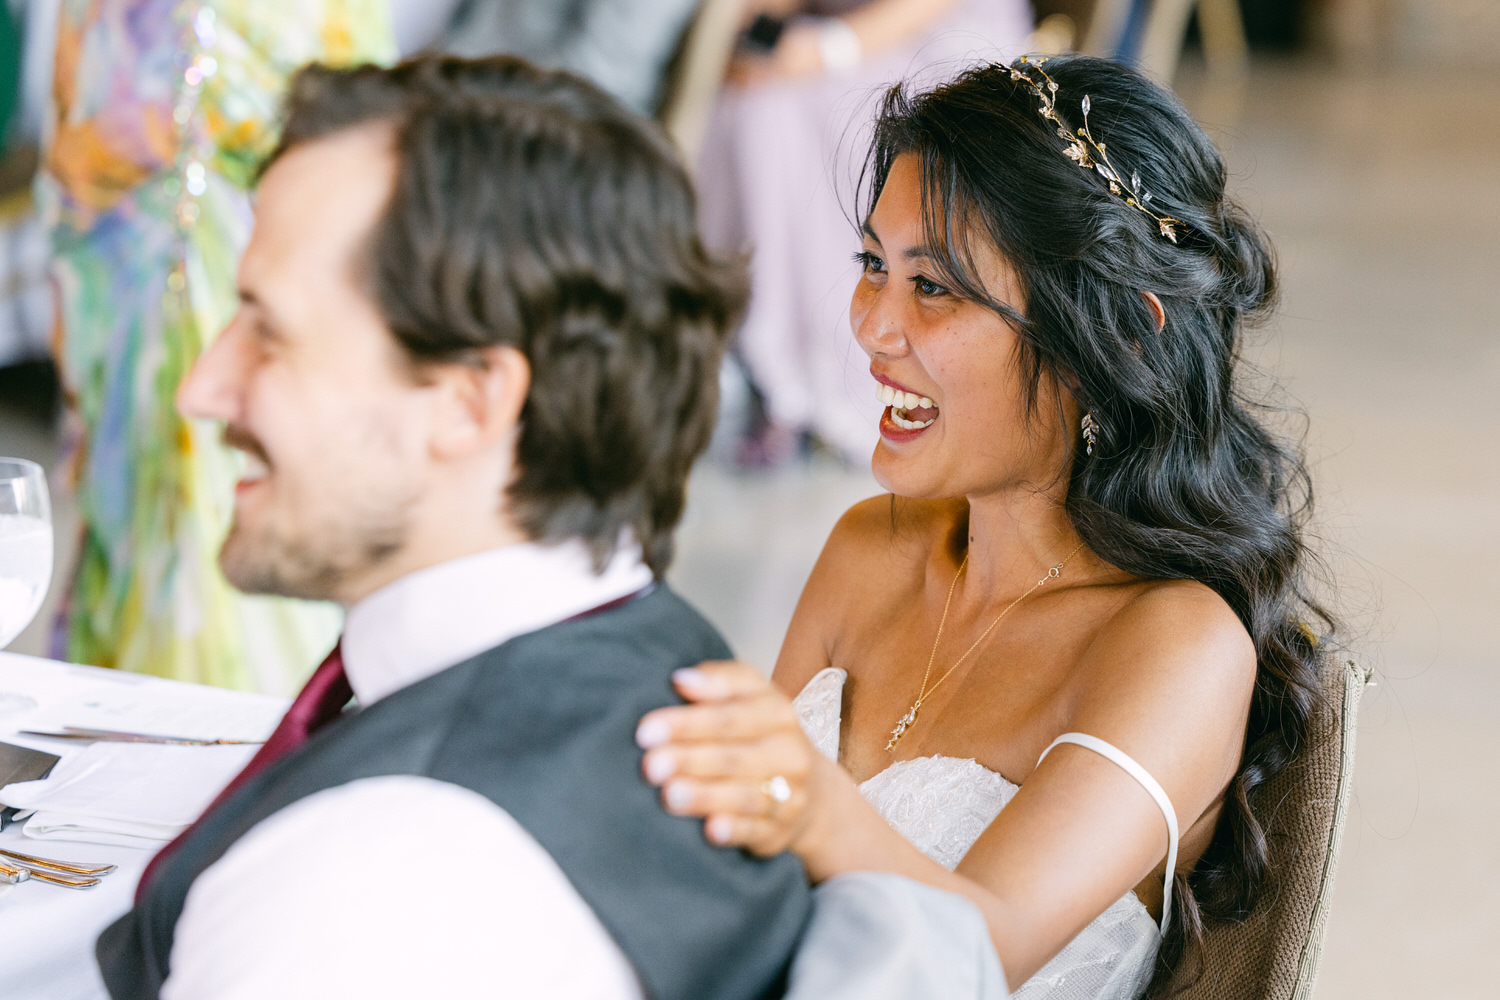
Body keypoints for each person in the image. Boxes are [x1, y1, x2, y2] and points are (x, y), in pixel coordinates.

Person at [92, 54, 813, 998]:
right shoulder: (656, 646)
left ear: (471, 401)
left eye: (269, 330)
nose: (203, 388)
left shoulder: (356, 896)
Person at [637, 54, 1333, 998]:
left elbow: (970, 952)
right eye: (873, 266)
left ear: (1123, 332)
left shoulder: (1177, 643)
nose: (873, 327)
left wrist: (798, 804)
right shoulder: (869, 549)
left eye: (935, 288)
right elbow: (726, 889)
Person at [43, 0, 393, 691]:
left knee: (232, 502)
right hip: (123, 286)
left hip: (242, 271)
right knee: (135, 505)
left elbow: (350, 143)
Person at [695, 0, 1034, 463]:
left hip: (939, 38)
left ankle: (805, 375)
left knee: (778, 110)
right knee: (735, 98)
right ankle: (753, 351)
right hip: (830, 27)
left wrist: (826, 50)